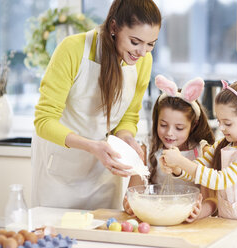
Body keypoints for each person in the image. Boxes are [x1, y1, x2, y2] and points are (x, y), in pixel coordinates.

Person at [31, 0, 162, 210]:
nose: (142, 52)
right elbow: (44, 121)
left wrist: (127, 138)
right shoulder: (73, 49)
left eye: (151, 44)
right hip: (60, 171)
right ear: (113, 27)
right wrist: (92, 147)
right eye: (135, 42)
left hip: (103, 172)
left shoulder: (143, 62)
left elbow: (129, 116)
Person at [161, 76, 237, 224]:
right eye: (219, 121)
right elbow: (197, 170)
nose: (221, 128)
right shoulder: (221, 146)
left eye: (227, 123)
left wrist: (180, 161)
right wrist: (176, 168)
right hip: (231, 224)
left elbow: (221, 180)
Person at [123, 74, 217, 222]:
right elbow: (132, 195)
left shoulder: (202, 151)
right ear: (156, 120)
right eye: (163, 125)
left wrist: (198, 212)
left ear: (194, 125)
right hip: (156, 221)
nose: (169, 133)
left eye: (179, 128)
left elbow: (212, 202)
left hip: (191, 225)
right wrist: (130, 206)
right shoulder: (146, 149)